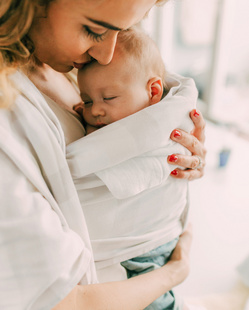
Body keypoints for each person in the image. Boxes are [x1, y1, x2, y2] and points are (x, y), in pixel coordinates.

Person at [0, 0, 206, 309]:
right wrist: (175, 272)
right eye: (93, 30)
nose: (106, 54)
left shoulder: (72, 64)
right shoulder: (12, 112)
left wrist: (173, 152)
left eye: (122, 29)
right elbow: (64, 300)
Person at [69, 27, 203, 310]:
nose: (95, 111)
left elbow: (171, 152)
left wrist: (187, 152)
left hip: (152, 245)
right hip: (125, 253)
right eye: (89, 101)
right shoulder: (108, 95)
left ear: (154, 91)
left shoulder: (159, 119)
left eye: (108, 98)